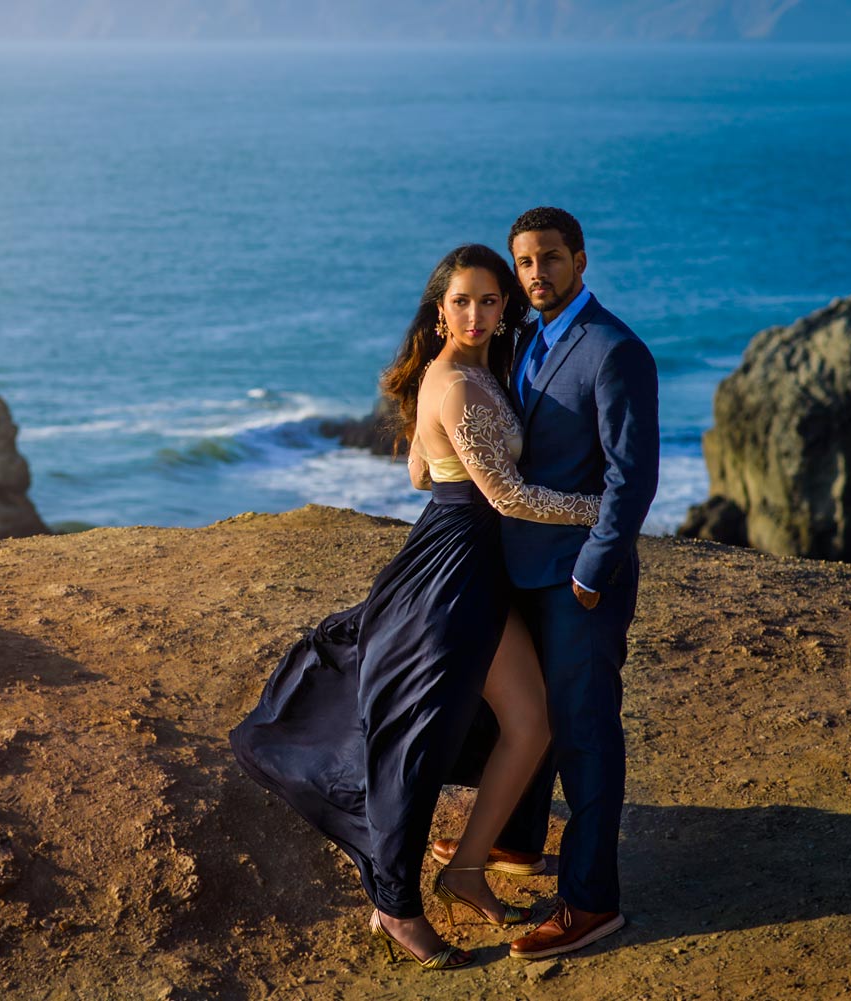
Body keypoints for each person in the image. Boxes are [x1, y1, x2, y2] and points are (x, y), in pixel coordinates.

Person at [229, 243, 603, 972]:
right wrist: (604, 508)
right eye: (462, 302)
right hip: (456, 574)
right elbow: (510, 497)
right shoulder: (460, 386)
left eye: (490, 301)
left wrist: (443, 452)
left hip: (470, 559)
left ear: (504, 308)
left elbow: (416, 472)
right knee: (417, 740)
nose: (476, 313)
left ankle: (464, 871)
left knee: (531, 722)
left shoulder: (469, 374)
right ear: (440, 312)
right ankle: (396, 907)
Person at [433, 207, 660, 960]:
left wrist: (595, 569)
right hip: (517, 569)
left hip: (577, 580)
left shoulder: (616, 350)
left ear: (581, 260)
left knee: (587, 734)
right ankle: (521, 842)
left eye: (550, 259)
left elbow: (633, 479)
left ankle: (592, 902)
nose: (535, 274)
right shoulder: (522, 335)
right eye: (524, 262)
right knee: (523, 714)